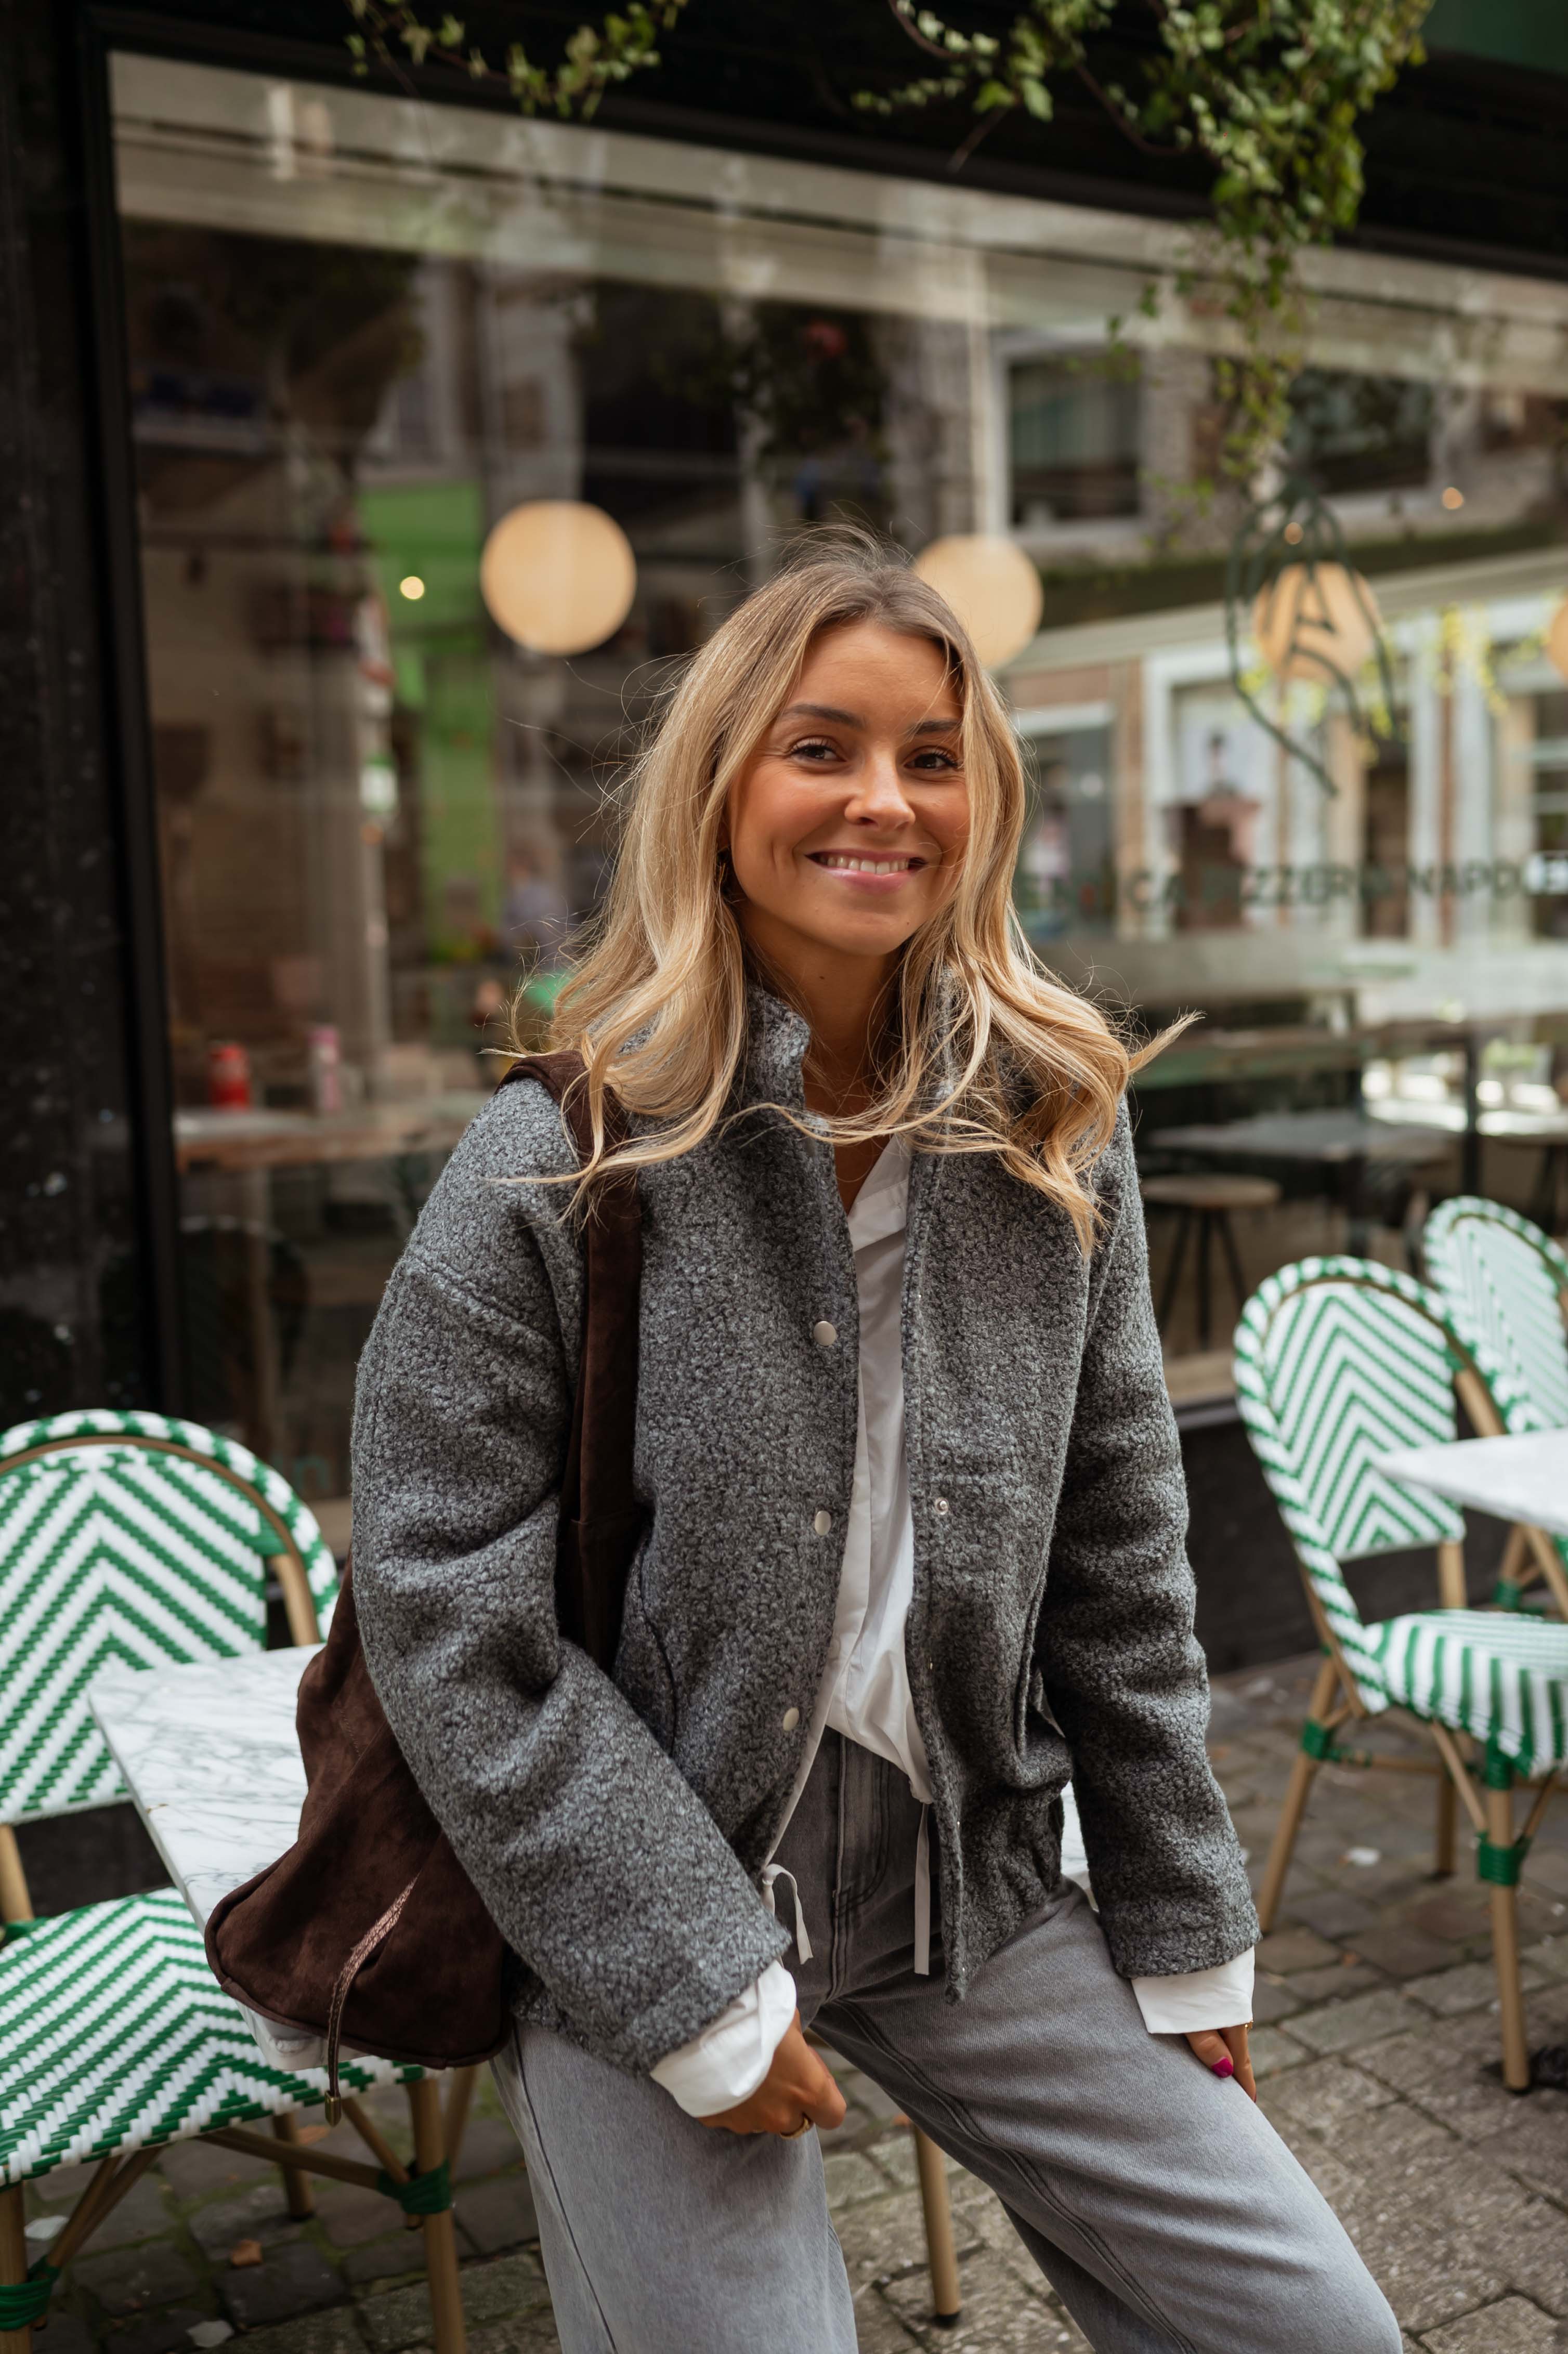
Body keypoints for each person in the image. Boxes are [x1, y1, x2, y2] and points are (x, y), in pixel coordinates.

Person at [350, 541, 1400, 2352]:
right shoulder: (559, 1158)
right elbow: (444, 1604)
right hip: (644, 1879)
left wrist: (1175, 1908)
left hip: (967, 1878)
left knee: (1316, 2327)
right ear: (724, 785)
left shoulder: (1052, 1127)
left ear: (983, 799)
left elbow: (1120, 1547)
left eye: (932, 754)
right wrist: (689, 1986)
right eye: (820, 746)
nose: (881, 801)